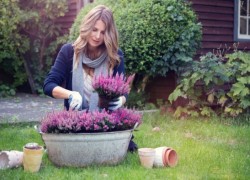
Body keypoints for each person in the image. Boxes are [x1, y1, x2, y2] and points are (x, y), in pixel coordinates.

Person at [43, 5, 137, 152]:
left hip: (105, 122)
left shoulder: (115, 55)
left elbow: (123, 91)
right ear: (87, 27)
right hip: (75, 122)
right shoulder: (69, 52)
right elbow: (48, 85)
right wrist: (70, 94)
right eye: (94, 29)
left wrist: (121, 100)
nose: (97, 36)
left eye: (103, 32)